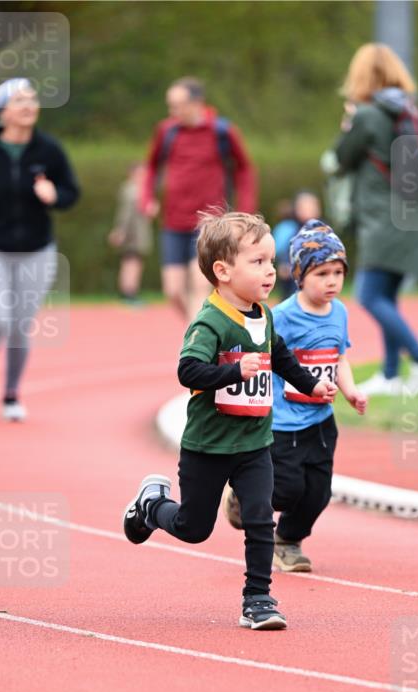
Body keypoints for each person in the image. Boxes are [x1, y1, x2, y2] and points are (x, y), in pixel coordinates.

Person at [122, 211, 337, 630]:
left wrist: (309, 384)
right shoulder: (210, 322)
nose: (270, 271)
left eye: (271, 262)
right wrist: (234, 371)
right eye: (257, 262)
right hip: (209, 446)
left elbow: (280, 355)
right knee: (193, 528)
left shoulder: (264, 313)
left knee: (259, 517)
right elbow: (188, 372)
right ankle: (151, 507)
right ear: (222, 271)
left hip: (255, 443)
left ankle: (258, 599)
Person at [223, 220, 367, 572]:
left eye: (338, 273)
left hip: (321, 420)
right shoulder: (282, 316)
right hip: (285, 422)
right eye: (321, 274)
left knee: (318, 492)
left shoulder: (341, 312)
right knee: (286, 489)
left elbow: (339, 358)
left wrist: (350, 391)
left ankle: (287, 540)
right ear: (300, 276)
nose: (332, 281)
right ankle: (243, 495)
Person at [0, 78, 79, 422]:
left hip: (36, 251)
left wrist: (55, 196)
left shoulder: (49, 150)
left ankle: (11, 393)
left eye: (32, 99)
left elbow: (71, 192)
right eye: (19, 100)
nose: (28, 106)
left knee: (19, 326)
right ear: (3, 111)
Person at [333, 44, 418, 398]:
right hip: (415, 218)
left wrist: (348, 124)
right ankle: (391, 374)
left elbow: (341, 159)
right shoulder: (408, 111)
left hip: (383, 220)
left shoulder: (366, 115)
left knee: (367, 295)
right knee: (387, 295)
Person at [140, 77, 256, 322]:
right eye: (170, 105)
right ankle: (202, 331)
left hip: (209, 223)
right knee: (172, 291)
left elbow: (245, 168)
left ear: (197, 103)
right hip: (173, 221)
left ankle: (194, 348)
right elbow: (151, 166)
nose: (173, 112)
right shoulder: (166, 131)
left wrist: (245, 209)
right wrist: (147, 198)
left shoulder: (222, 131)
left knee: (199, 284)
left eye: (178, 105)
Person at [108, 162, 153, 304]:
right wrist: (120, 230)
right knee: (132, 263)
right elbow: (126, 214)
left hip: (136, 232)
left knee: (131, 262)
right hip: (133, 234)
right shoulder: (132, 190)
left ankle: (128, 293)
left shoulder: (135, 189)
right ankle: (129, 294)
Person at [272, 191, 323, 300]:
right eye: (304, 206)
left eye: (312, 206)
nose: (309, 209)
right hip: (293, 282)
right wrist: (284, 263)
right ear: (297, 209)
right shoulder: (292, 229)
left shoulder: (323, 230)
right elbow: (287, 249)